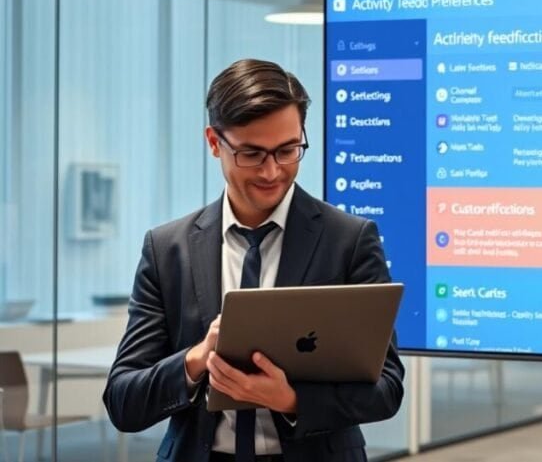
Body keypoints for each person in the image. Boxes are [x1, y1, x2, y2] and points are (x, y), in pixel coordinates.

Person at [103, 59, 403, 462]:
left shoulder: (348, 240)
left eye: (288, 150)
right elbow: (124, 400)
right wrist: (197, 358)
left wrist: (292, 399)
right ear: (214, 142)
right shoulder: (167, 249)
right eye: (251, 153)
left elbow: (386, 388)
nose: (272, 170)